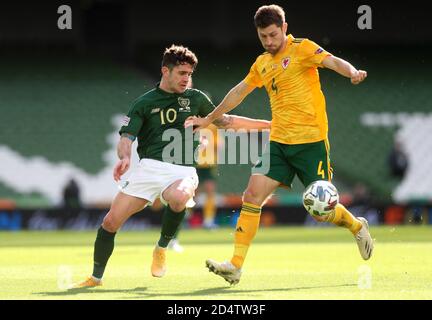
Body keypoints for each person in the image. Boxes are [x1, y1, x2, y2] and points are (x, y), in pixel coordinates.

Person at [186, 4, 373, 285]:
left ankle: (357, 226)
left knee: (322, 212)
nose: (270, 42)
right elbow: (239, 91)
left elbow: (333, 61)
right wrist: (210, 118)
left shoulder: (303, 49)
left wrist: (352, 72)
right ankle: (235, 266)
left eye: (274, 35)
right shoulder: (262, 63)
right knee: (251, 196)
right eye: (263, 37)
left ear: (284, 28)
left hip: (311, 143)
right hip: (279, 144)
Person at [71, 44, 270, 288]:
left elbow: (226, 121)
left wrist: (269, 124)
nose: (187, 79)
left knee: (178, 198)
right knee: (110, 222)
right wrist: (124, 157)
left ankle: (162, 247)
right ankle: (96, 278)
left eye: (189, 74)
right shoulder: (143, 103)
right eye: (181, 73)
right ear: (166, 71)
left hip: (183, 170)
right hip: (148, 169)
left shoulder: (196, 99)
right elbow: (126, 138)